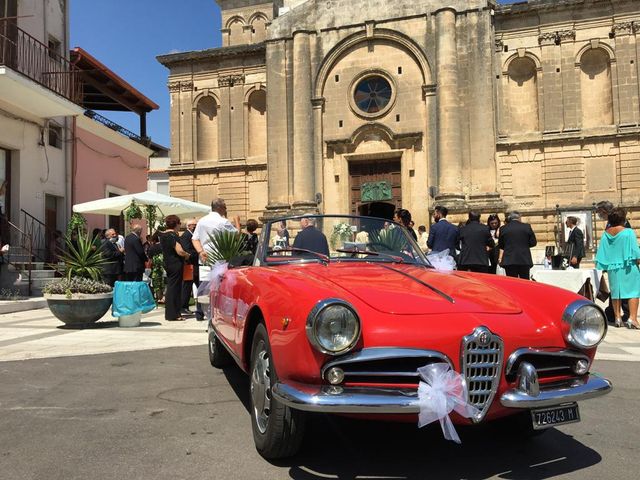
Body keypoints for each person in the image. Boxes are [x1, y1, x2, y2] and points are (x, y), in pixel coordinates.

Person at [595, 207, 640, 329]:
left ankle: (617, 318)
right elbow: (635, 250)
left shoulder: (606, 234)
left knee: (616, 293)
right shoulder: (628, 232)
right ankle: (633, 319)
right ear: (623, 219)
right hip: (628, 266)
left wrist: (602, 266)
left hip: (613, 268)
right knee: (633, 293)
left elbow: (602, 252)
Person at [596, 201, 631, 322]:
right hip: (614, 261)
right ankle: (612, 313)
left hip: (622, 261)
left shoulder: (622, 223)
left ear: (604, 211)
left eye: (599, 212)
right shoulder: (611, 222)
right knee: (615, 288)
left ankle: (625, 313)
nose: (599, 215)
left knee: (624, 288)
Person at [160, 215, 190, 321]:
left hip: (168, 263)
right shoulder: (172, 235)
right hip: (176, 264)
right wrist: (187, 255)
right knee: (175, 289)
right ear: (176, 224)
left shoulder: (163, 235)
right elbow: (179, 251)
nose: (180, 225)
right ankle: (174, 314)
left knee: (171, 288)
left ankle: (171, 313)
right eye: (179, 223)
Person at [192, 198, 240, 264]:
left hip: (204, 258)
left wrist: (200, 251)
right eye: (225, 207)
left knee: (205, 274)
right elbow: (237, 235)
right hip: (219, 259)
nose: (226, 210)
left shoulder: (201, 221)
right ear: (219, 208)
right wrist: (237, 221)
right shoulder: (223, 221)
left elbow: (194, 239)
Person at [497, 211, 537, 279]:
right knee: (525, 282)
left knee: (512, 283)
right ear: (519, 218)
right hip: (524, 259)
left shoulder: (503, 228)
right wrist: (524, 245)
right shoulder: (526, 227)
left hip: (509, 260)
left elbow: (501, 245)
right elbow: (533, 242)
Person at [179, 218, 202, 318]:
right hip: (190, 265)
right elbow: (187, 250)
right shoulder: (186, 236)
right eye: (194, 225)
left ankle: (198, 307)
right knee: (188, 286)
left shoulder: (192, 235)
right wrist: (198, 252)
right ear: (189, 226)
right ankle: (184, 306)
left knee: (198, 285)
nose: (196, 226)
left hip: (194, 265)